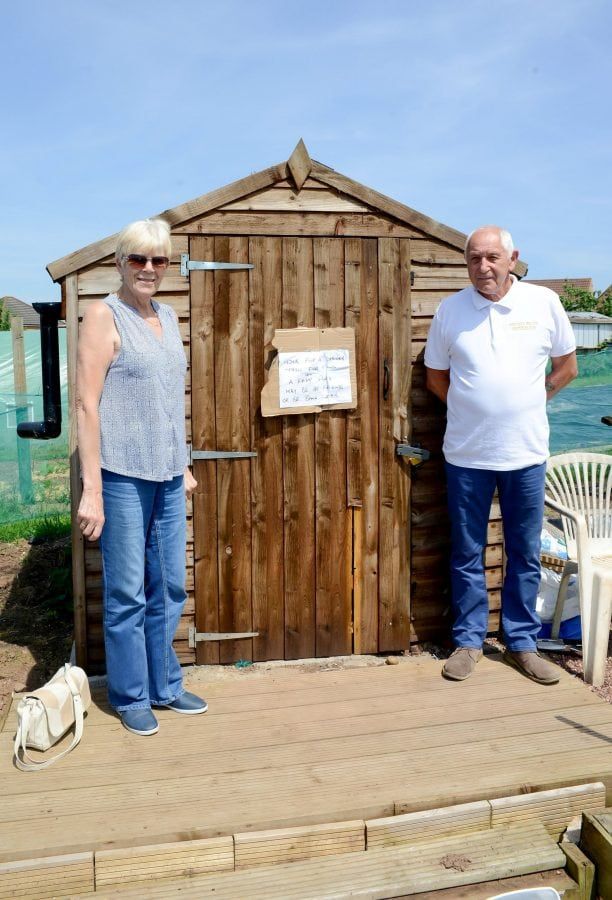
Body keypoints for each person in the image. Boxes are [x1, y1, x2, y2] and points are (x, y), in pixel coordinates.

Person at [424, 226, 578, 684]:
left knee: (525, 552)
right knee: (468, 550)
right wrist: (474, 411)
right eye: (474, 258)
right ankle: (469, 640)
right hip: (467, 455)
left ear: (513, 258)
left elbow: (567, 367)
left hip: (526, 454)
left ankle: (522, 644)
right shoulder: (450, 311)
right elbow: (435, 378)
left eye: (492, 257)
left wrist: (532, 399)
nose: (483, 267)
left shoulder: (542, 304)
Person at [75, 218, 207, 735]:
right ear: (120, 263)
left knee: (171, 586)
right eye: (138, 259)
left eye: (159, 260)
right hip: (122, 475)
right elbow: (87, 405)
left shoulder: (169, 317)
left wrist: (184, 463)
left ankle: (166, 686)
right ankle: (131, 695)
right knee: (127, 591)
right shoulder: (101, 316)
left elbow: (169, 398)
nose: (149, 269)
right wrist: (92, 489)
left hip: (168, 475)